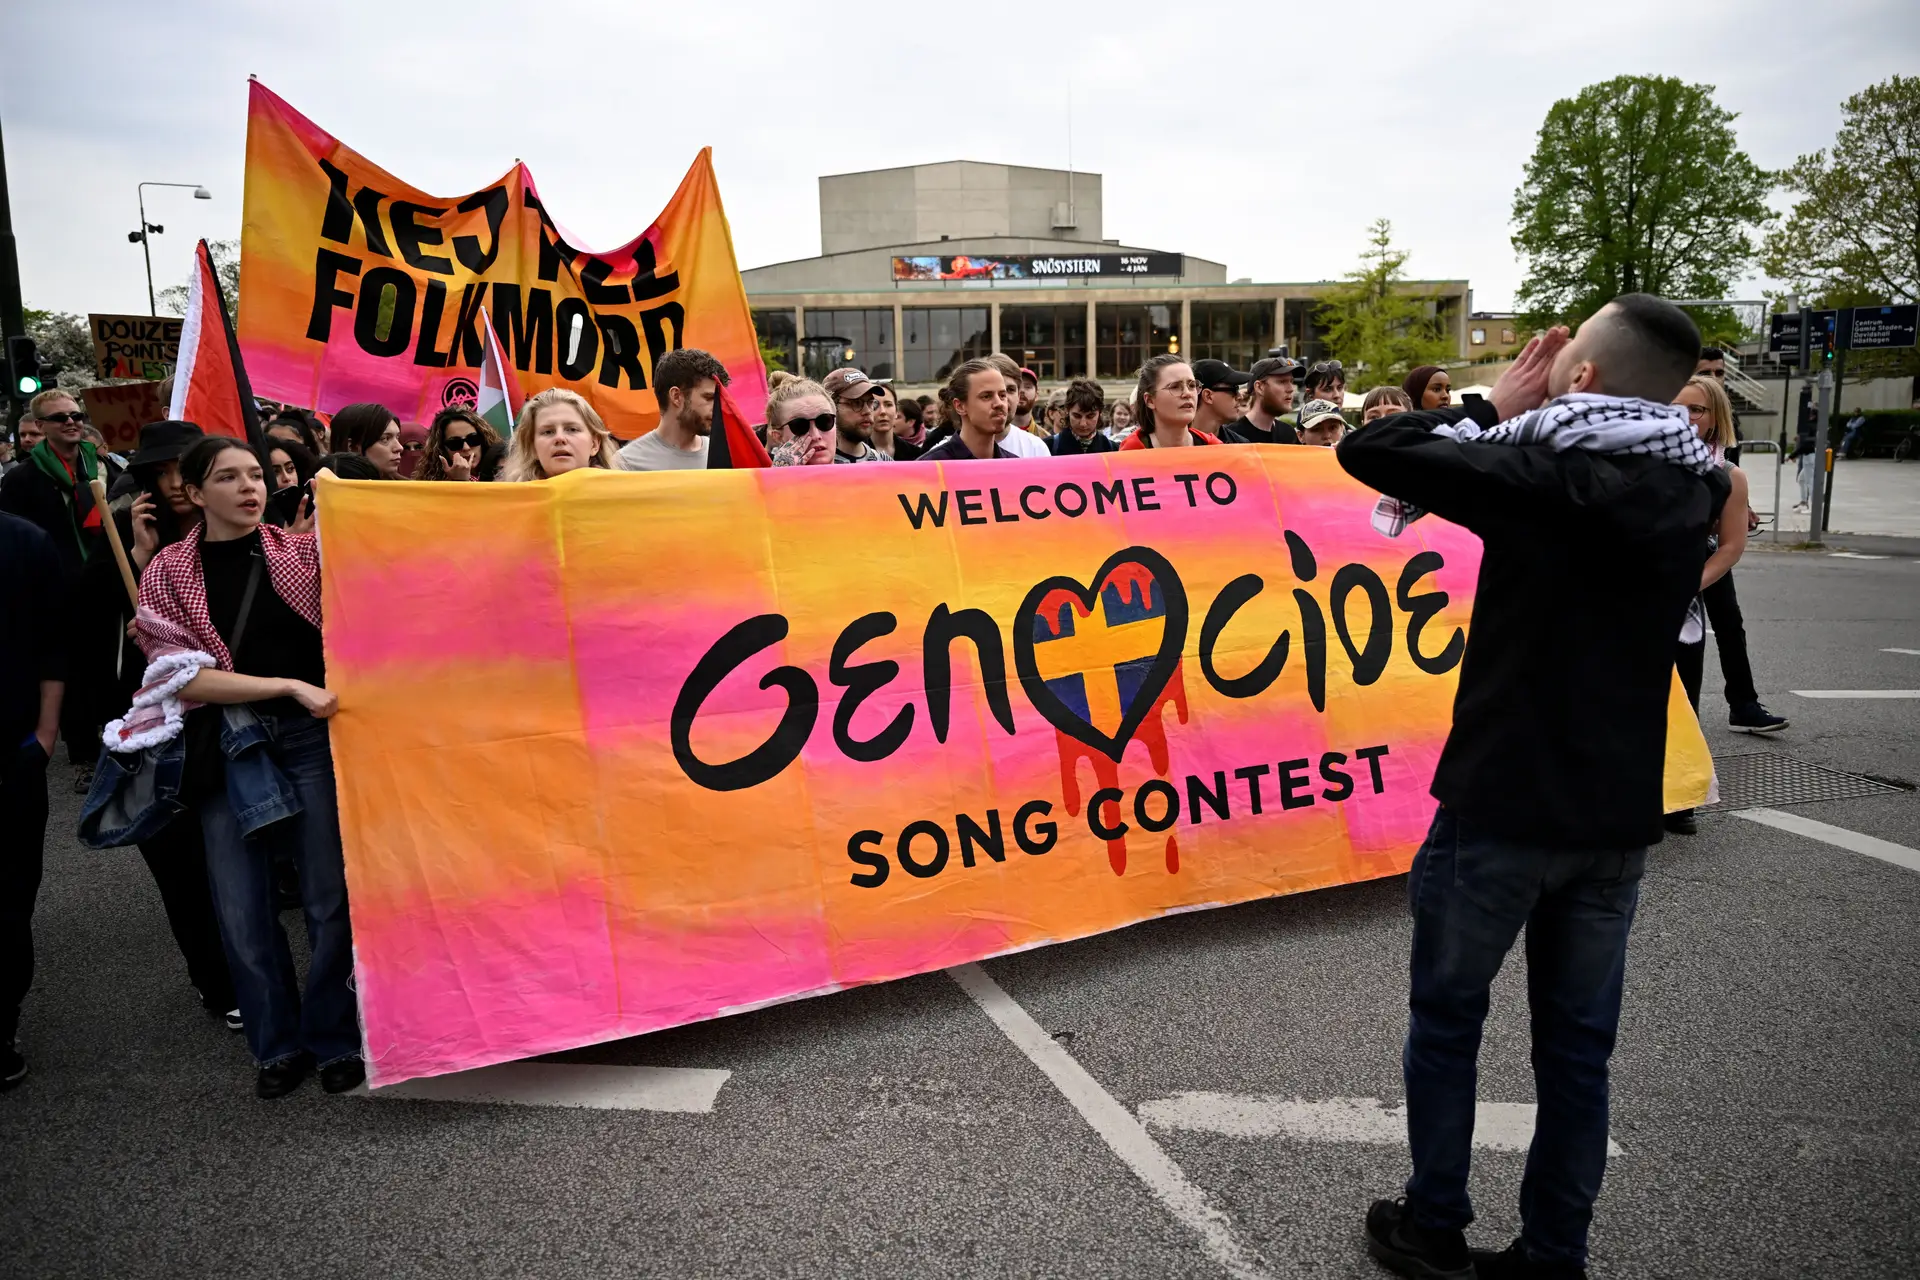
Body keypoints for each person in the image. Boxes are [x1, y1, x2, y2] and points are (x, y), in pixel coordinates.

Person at [1338, 295, 1730, 1279]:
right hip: (1614, 816)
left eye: (1563, 357)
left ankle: (1434, 1223)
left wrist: (1486, 404)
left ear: (1584, 376)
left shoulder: (1541, 468)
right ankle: (1555, 1250)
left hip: (1502, 801)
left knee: (1448, 1021)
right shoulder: (1693, 485)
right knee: (1577, 1052)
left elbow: (1373, 450)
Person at [132, 436, 359, 1099]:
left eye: (256, 475)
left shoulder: (306, 554)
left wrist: (353, 508)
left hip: (310, 741)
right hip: (225, 748)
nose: (249, 487)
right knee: (241, 910)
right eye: (228, 478)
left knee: (328, 899)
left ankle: (335, 1037)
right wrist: (285, 686)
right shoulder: (168, 572)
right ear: (196, 494)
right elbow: (182, 679)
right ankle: (276, 1046)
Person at [84, 421, 244, 1031]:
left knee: (237, 857)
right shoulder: (124, 538)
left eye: (188, 466)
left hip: (228, 719)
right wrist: (140, 562)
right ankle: (216, 979)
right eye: (164, 470)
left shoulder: (236, 536)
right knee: (177, 861)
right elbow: (93, 635)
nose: (177, 481)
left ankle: (258, 974)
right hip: (159, 730)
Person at [0, 390, 114, 770]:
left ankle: (116, 739)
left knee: (105, 666)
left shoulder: (100, 467)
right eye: (60, 417)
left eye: (76, 414)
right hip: (56, 589)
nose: (71, 421)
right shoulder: (21, 479)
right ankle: (82, 754)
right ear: (41, 427)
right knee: (71, 670)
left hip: (102, 582)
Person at [1670, 376, 1788, 742]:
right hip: (1631, 593)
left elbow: (1731, 547)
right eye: (1676, 407)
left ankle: (1678, 790)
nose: (1685, 417)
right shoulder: (1637, 459)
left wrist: (1688, 585)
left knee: (1683, 698)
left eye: (1696, 409)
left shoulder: (1728, 476)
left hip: (1683, 591)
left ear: (1715, 417)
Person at [0, 509, 64, 1089]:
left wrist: (44, 736)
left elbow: (52, 643)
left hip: (12, 753)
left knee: (10, 896)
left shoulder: (24, 540)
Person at [617, 348, 728, 471]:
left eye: (719, 400)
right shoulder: (626, 464)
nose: (718, 407)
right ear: (676, 396)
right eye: (709, 398)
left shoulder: (724, 457)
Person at [503, 389, 621, 481]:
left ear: (594, 444)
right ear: (533, 448)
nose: (559, 438)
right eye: (548, 432)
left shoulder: (623, 501)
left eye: (572, 429)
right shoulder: (509, 504)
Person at [918, 359, 1017, 461]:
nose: (999, 403)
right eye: (986, 396)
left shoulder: (1015, 466)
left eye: (1002, 395)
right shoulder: (932, 466)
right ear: (960, 406)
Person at [1120, 357, 1221, 450]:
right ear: (1150, 400)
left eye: (1192, 385)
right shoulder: (1131, 452)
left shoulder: (1214, 448)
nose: (1187, 393)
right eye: (1175, 387)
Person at [983, 355, 1052, 457]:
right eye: (989, 393)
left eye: (1010, 390)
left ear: (1018, 396)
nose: (1002, 399)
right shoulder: (952, 451)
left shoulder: (1036, 448)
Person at [820, 368, 894, 464]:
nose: (867, 411)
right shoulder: (816, 465)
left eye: (870, 402)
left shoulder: (884, 463)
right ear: (831, 407)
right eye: (856, 403)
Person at [1223, 357, 1303, 444]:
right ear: (1259, 387)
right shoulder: (1231, 436)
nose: (1291, 389)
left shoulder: (1288, 434)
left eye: (1291, 381)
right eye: (1282, 382)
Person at [416, 408, 502, 483]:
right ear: (442, 449)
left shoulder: (504, 473)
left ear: (483, 439)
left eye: (473, 439)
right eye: (455, 443)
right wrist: (460, 481)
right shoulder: (432, 485)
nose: (466, 447)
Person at [767, 379, 838, 467]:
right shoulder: (756, 479)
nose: (816, 436)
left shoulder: (859, 476)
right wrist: (779, 476)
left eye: (825, 421)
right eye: (800, 426)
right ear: (778, 437)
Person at [331, 403, 404, 479]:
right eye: (385, 439)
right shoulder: (324, 488)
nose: (400, 447)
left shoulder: (410, 489)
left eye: (398, 437)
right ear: (351, 447)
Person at [1048, 379, 1116, 455]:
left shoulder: (1114, 449)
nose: (1083, 424)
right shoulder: (1047, 447)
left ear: (1100, 413)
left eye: (1090, 416)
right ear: (1067, 411)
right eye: (1077, 416)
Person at [1192, 359, 1253, 440]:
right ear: (1208, 396)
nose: (1240, 396)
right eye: (1233, 389)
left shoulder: (1239, 445)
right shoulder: (1176, 444)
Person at [1009, 365, 1042, 436]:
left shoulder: (1046, 440)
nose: (1021, 391)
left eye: (1028, 387)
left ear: (1036, 395)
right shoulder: (994, 436)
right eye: (1016, 386)